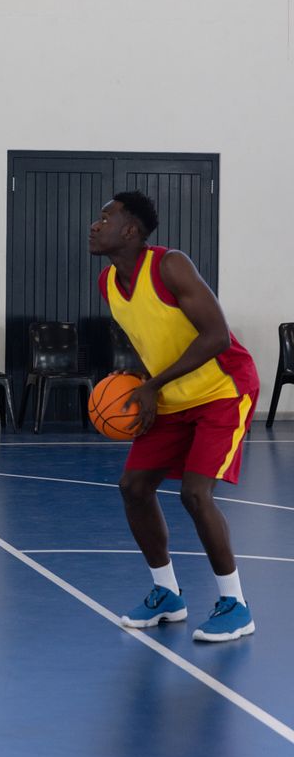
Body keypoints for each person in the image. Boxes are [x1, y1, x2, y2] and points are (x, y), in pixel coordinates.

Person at [89, 190, 260, 643]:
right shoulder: (109, 283)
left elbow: (217, 336)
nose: (94, 224)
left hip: (223, 389)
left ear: (130, 230)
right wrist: (140, 381)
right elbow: (157, 337)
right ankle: (167, 594)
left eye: (105, 217)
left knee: (195, 495)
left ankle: (236, 605)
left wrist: (151, 386)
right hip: (170, 395)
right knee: (134, 486)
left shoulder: (170, 265)